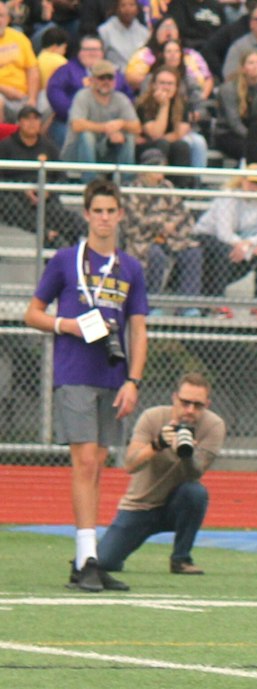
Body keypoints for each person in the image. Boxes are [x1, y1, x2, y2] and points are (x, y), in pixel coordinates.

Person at [22, 178, 149, 593]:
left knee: (98, 464)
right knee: (85, 463)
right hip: (75, 370)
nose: (105, 218)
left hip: (113, 375)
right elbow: (32, 313)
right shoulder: (65, 259)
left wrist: (134, 380)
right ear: (87, 214)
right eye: (98, 211)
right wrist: (68, 325)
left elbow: (139, 329)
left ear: (120, 215)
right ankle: (88, 556)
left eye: (112, 211)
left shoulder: (130, 268)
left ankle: (84, 560)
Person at [97, 372, 224, 577]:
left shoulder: (214, 426)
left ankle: (181, 558)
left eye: (197, 405)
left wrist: (186, 454)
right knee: (104, 562)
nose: (190, 410)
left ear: (207, 405)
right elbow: (130, 465)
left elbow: (196, 472)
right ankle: (118, 551)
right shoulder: (152, 417)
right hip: (141, 506)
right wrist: (158, 444)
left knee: (196, 493)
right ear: (174, 398)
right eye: (185, 402)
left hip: (177, 505)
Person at [193, 165, 257, 319]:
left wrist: (248, 244)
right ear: (242, 181)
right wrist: (249, 249)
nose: (253, 187)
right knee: (225, 251)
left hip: (240, 240)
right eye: (250, 182)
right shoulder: (228, 196)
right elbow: (224, 233)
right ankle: (218, 301)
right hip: (207, 236)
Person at [0, 104, 86, 248]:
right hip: (14, 199)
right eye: (27, 119)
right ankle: (45, 232)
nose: (32, 123)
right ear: (19, 122)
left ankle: (80, 243)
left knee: (64, 215)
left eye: (35, 119)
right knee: (8, 202)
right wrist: (22, 190)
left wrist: (48, 191)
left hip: (44, 199)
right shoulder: (5, 146)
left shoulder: (49, 147)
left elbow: (61, 177)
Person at [122, 153, 203, 307]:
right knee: (156, 256)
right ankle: (152, 302)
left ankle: (187, 305)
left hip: (172, 237)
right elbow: (135, 220)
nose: (161, 172)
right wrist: (160, 224)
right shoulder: (132, 190)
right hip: (143, 239)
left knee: (193, 253)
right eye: (157, 168)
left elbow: (180, 211)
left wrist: (171, 225)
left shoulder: (167, 186)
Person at [64, 59, 138, 170]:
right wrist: (106, 128)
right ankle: (90, 180)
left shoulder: (121, 98)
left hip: (107, 151)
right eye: (101, 78)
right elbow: (77, 125)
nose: (106, 81)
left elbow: (137, 127)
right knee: (87, 136)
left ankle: (126, 182)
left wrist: (122, 124)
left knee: (128, 137)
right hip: (78, 156)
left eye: (110, 78)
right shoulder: (82, 96)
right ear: (92, 80)